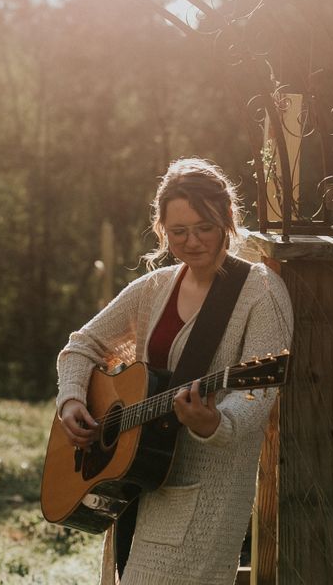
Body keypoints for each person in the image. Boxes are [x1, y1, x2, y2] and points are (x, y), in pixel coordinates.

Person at [55, 158, 294, 585]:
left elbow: (260, 391)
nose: (193, 241)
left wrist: (217, 421)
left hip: (207, 492)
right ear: (163, 230)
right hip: (136, 482)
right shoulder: (154, 288)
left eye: (204, 227)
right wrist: (72, 399)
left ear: (227, 220)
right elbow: (82, 345)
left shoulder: (260, 292)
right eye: (179, 232)